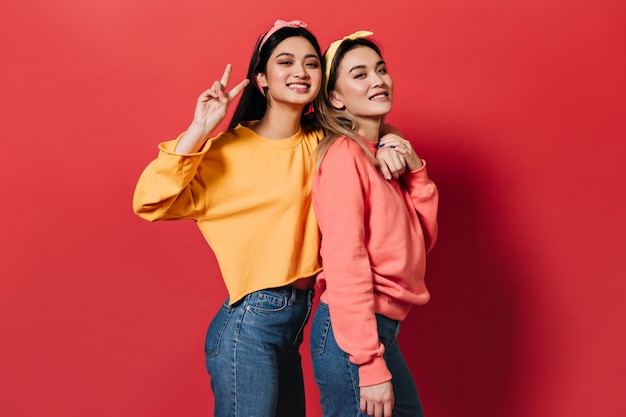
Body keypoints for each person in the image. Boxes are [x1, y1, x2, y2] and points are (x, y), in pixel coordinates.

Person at [132, 20, 409, 417]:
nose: (300, 71)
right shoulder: (230, 151)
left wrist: (390, 142)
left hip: (296, 322)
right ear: (261, 77)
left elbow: (367, 128)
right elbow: (148, 202)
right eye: (285, 62)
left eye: (311, 63)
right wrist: (198, 129)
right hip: (250, 326)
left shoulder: (323, 142)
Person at [309, 31, 439, 417]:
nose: (378, 80)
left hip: (379, 333)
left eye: (380, 69)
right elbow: (344, 260)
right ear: (335, 98)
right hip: (355, 337)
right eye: (360, 74)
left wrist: (413, 167)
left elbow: (421, 240)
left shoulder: (382, 154)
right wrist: (367, 361)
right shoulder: (343, 156)